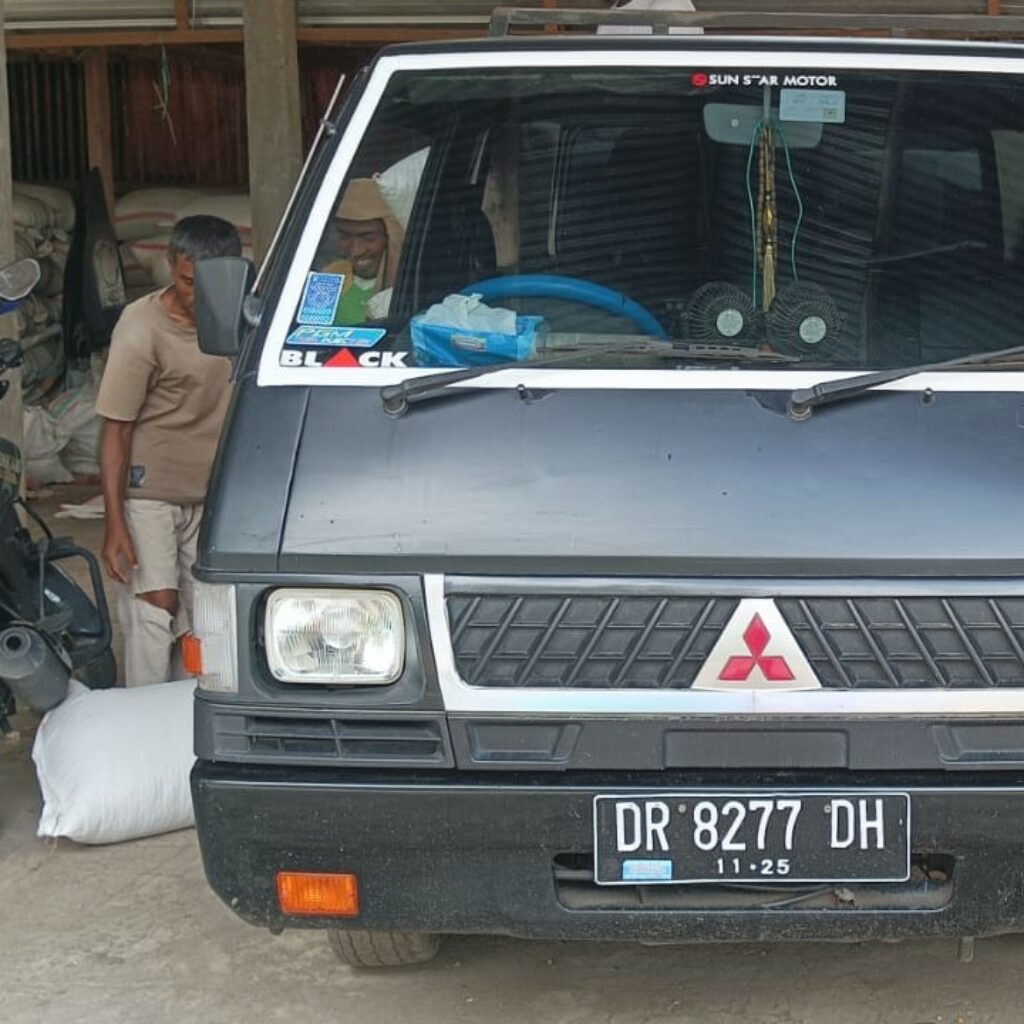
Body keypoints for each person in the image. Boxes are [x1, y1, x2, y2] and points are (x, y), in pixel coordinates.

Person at [97, 215, 241, 686]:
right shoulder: (141, 328)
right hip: (149, 491)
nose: (196, 295)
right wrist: (115, 522)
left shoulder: (247, 320)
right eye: (185, 282)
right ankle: (141, 715)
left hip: (213, 494)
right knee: (156, 608)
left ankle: (189, 723)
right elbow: (116, 430)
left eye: (208, 283)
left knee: (208, 619)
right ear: (170, 267)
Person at [326, 177, 405, 324]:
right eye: (346, 236)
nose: (356, 251)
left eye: (368, 238)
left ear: (391, 235)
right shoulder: (329, 277)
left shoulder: (408, 285)